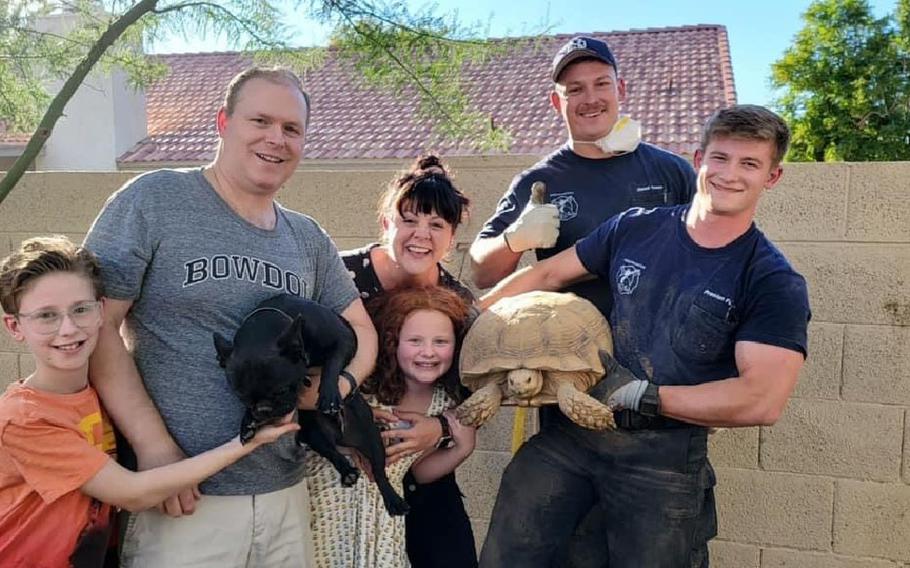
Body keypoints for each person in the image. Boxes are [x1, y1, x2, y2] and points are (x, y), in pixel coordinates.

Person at [476, 104, 811, 567]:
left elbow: (761, 399)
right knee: (508, 551)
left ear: (772, 177)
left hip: (664, 458)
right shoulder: (636, 226)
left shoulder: (770, 279)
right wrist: (470, 318)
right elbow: (549, 274)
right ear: (698, 160)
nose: (730, 174)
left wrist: (646, 396)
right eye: (720, 158)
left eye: (749, 163)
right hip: (573, 435)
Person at [83, 67, 378, 566]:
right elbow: (96, 326)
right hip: (185, 497)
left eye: (291, 129)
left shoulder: (306, 237)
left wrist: (334, 388)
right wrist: (154, 448)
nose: (275, 139)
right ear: (223, 122)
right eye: (260, 120)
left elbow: (362, 330)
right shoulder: (153, 200)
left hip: (285, 490)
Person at [468, 35, 698, 566]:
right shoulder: (540, 180)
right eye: (574, 89)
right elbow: (481, 270)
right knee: (558, 550)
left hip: (660, 410)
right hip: (570, 398)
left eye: (600, 85)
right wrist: (514, 239)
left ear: (622, 89)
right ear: (557, 101)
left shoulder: (669, 172)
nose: (589, 98)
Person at [0, 236, 299, 567]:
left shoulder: (101, 398)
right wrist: (246, 442)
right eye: (46, 316)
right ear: (14, 326)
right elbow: (132, 492)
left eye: (80, 309)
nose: (68, 328)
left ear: (101, 311)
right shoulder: (25, 419)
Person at [341, 155, 478, 567]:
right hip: (348, 472)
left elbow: (480, 389)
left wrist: (438, 430)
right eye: (410, 221)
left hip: (424, 464)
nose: (422, 235)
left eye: (437, 225)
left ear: (452, 237)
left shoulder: (461, 306)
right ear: (386, 224)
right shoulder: (341, 278)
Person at [306, 286, 475, 567]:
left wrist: (463, 448)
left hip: (383, 524)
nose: (428, 352)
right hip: (329, 504)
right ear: (393, 341)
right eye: (415, 341)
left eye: (441, 342)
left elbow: (416, 470)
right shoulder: (362, 385)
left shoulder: (443, 402)